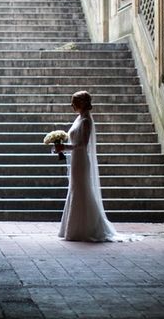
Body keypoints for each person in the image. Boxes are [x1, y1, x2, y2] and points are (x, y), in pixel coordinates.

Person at [54, 91, 118, 242]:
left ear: (81, 103)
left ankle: (84, 228)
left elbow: (83, 144)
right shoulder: (79, 118)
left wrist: (65, 148)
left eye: (74, 102)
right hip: (76, 159)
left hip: (81, 160)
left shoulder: (86, 121)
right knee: (76, 189)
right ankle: (72, 227)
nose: (71, 105)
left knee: (81, 190)